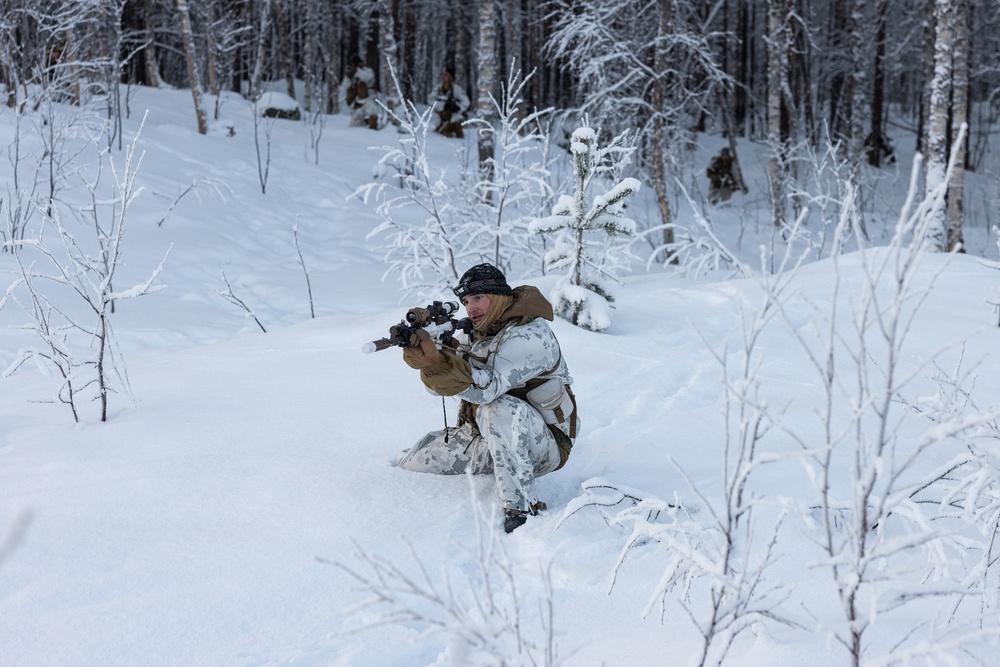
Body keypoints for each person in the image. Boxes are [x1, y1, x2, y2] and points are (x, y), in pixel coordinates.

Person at [398, 264, 577, 534]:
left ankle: (520, 507)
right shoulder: (475, 333)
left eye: (478, 297)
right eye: (466, 302)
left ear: (498, 296)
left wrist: (443, 363)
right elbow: (438, 389)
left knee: (497, 408)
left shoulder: (531, 335)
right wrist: (433, 359)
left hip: (544, 447)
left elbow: (488, 389)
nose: (471, 308)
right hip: (488, 437)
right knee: (413, 461)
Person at [432, 68, 470, 139]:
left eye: (446, 75)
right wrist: (443, 106)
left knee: (459, 133)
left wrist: (458, 107)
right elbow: (430, 100)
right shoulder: (438, 89)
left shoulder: (457, 89)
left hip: (454, 116)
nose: (444, 77)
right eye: (443, 75)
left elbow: (466, 102)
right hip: (441, 117)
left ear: (451, 77)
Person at [342, 56, 378, 130]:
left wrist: (357, 71)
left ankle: (373, 131)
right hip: (357, 102)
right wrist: (348, 76)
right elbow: (344, 86)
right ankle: (364, 125)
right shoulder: (351, 73)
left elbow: (369, 79)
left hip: (368, 98)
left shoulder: (367, 70)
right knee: (353, 126)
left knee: (373, 112)